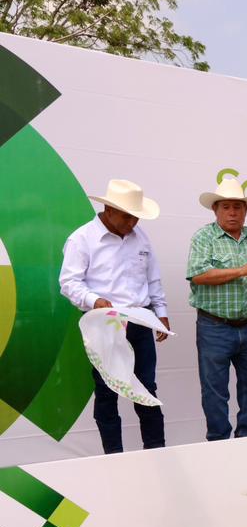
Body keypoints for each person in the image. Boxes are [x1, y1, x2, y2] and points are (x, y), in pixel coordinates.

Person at [58, 178, 169, 454]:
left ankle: (156, 450)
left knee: (146, 388)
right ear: (108, 210)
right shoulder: (82, 239)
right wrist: (94, 300)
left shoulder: (140, 237)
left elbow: (152, 278)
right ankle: (113, 455)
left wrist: (161, 312)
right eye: (127, 216)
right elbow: (69, 282)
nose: (133, 222)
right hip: (105, 324)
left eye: (136, 216)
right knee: (108, 391)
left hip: (140, 321)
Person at [186, 176, 247, 441]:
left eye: (238, 207)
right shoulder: (204, 237)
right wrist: (243, 270)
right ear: (215, 210)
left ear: (246, 210)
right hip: (215, 326)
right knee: (215, 390)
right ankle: (218, 442)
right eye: (226, 207)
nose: (233, 212)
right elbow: (198, 275)